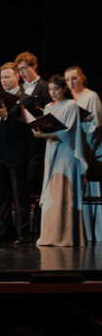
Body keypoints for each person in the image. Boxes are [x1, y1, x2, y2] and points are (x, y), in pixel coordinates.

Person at [0, 62, 35, 244]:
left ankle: (22, 233)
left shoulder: (25, 99)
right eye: (2, 77)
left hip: (16, 154)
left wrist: (7, 115)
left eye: (7, 77)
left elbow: (27, 126)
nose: (4, 80)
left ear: (17, 76)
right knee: (2, 196)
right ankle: (3, 232)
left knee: (19, 195)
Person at [35, 75, 88, 247]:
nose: (53, 92)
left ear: (64, 89)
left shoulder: (71, 105)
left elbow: (67, 132)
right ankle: (50, 235)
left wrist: (44, 135)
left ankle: (66, 236)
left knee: (64, 191)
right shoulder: (48, 107)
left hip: (66, 151)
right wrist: (40, 131)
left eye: (56, 89)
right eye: (50, 89)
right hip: (51, 150)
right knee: (52, 191)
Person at [64, 65, 102, 241]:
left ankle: (95, 233)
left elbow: (96, 126)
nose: (71, 83)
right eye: (67, 80)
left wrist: (81, 138)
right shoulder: (68, 99)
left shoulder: (90, 96)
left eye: (74, 78)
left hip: (89, 150)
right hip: (73, 150)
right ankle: (81, 232)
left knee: (92, 190)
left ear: (82, 78)